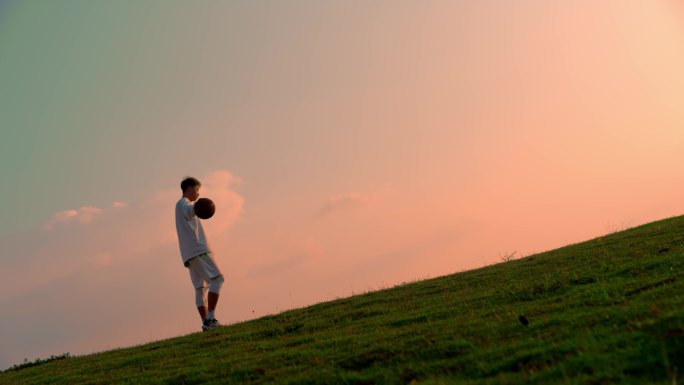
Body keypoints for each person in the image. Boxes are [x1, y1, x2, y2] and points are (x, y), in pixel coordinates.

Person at [175, 176, 224, 331]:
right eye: (197, 190)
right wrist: (199, 206)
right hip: (199, 251)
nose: (198, 194)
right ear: (189, 188)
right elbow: (190, 211)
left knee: (200, 289)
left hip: (189, 255)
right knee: (218, 279)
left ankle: (206, 324)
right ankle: (210, 318)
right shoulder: (184, 203)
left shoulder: (181, 205)